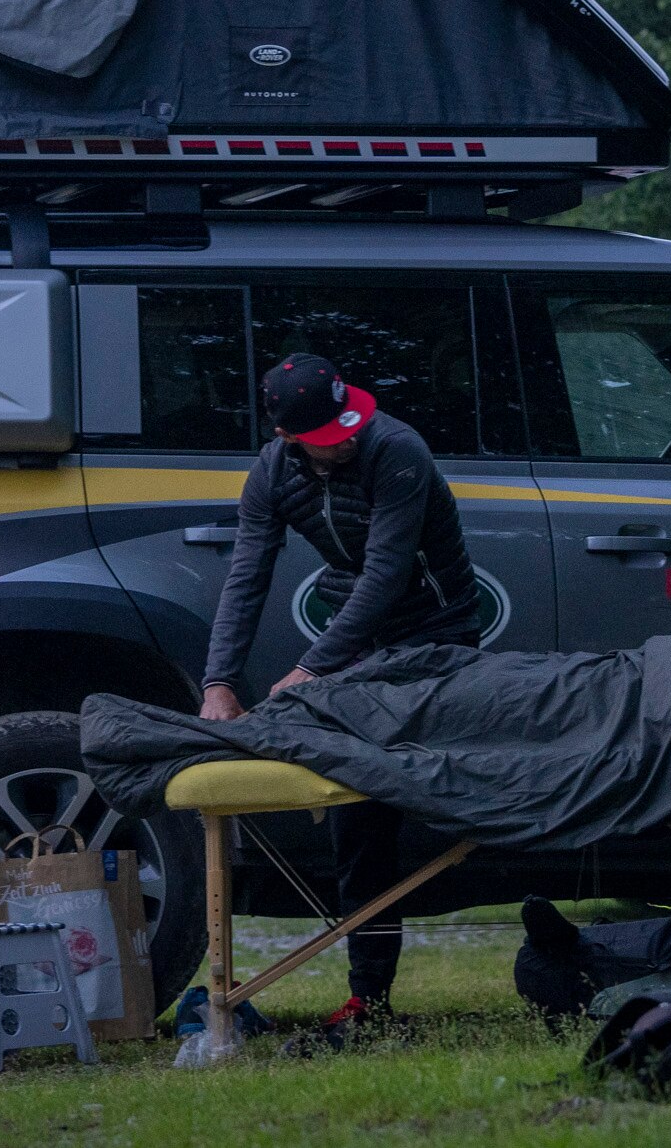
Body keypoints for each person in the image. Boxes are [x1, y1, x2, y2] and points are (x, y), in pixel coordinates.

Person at [198, 351, 487, 1037]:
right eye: (332, 431)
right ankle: (370, 998)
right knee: (362, 816)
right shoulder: (271, 473)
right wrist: (217, 683)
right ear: (289, 438)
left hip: (436, 635)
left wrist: (310, 669)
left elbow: (386, 575)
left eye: (350, 418)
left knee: (469, 791)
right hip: (355, 644)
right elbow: (245, 579)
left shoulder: (397, 450)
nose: (349, 433)